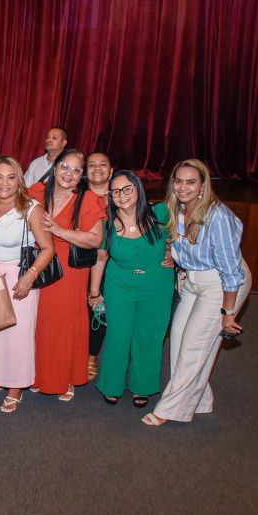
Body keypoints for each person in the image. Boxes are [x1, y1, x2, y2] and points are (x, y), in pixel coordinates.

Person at [143, 159, 252, 426]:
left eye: (191, 181)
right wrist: (171, 254)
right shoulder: (175, 210)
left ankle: (169, 409)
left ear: (203, 185)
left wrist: (228, 313)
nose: (183, 187)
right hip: (192, 282)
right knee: (179, 341)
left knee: (194, 346)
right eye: (178, 181)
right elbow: (174, 244)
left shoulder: (218, 216)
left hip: (223, 284)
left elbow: (231, 270)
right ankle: (200, 400)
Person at [86, 170, 173, 406]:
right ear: (110, 195)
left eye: (127, 189)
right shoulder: (107, 224)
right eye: (116, 191)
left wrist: (174, 255)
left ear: (138, 189)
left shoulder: (161, 213)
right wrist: (95, 293)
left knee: (150, 336)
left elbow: (184, 235)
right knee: (118, 335)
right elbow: (100, 258)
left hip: (157, 287)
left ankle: (142, 385)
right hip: (119, 286)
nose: (122, 195)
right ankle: (111, 384)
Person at [28, 149, 106, 400]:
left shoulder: (88, 199)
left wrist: (61, 231)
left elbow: (95, 240)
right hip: (38, 265)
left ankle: (67, 376)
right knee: (39, 323)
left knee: (64, 323)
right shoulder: (36, 192)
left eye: (76, 170)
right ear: (55, 166)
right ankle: (39, 374)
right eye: (64, 167)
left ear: (81, 175)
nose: (68, 174)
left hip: (68, 272)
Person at [0, 157, 55, 412]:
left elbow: (48, 248)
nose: (5, 183)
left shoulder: (30, 207)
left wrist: (30, 276)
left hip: (19, 276)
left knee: (18, 334)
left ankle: (17, 387)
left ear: (19, 180)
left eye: (11, 177)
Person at [85, 151, 113, 379]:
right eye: (91, 164)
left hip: (110, 266)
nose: (97, 168)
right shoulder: (78, 196)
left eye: (102, 164)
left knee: (99, 310)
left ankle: (92, 356)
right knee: (78, 312)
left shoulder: (121, 197)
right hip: (80, 262)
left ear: (111, 170)